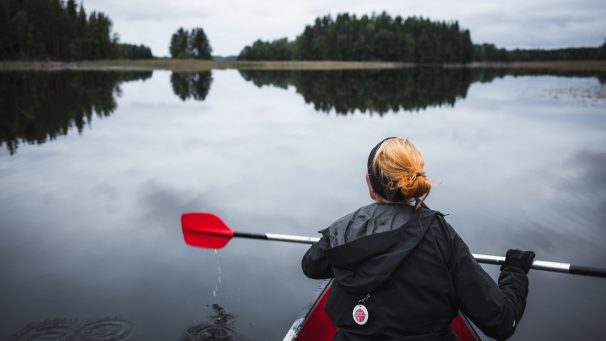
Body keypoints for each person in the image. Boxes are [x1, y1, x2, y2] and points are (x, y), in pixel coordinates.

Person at [301, 137, 534, 341]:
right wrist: (515, 271)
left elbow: (311, 266)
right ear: (414, 181)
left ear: (370, 183)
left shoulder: (342, 229)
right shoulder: (439, 233)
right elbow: (501, 322)